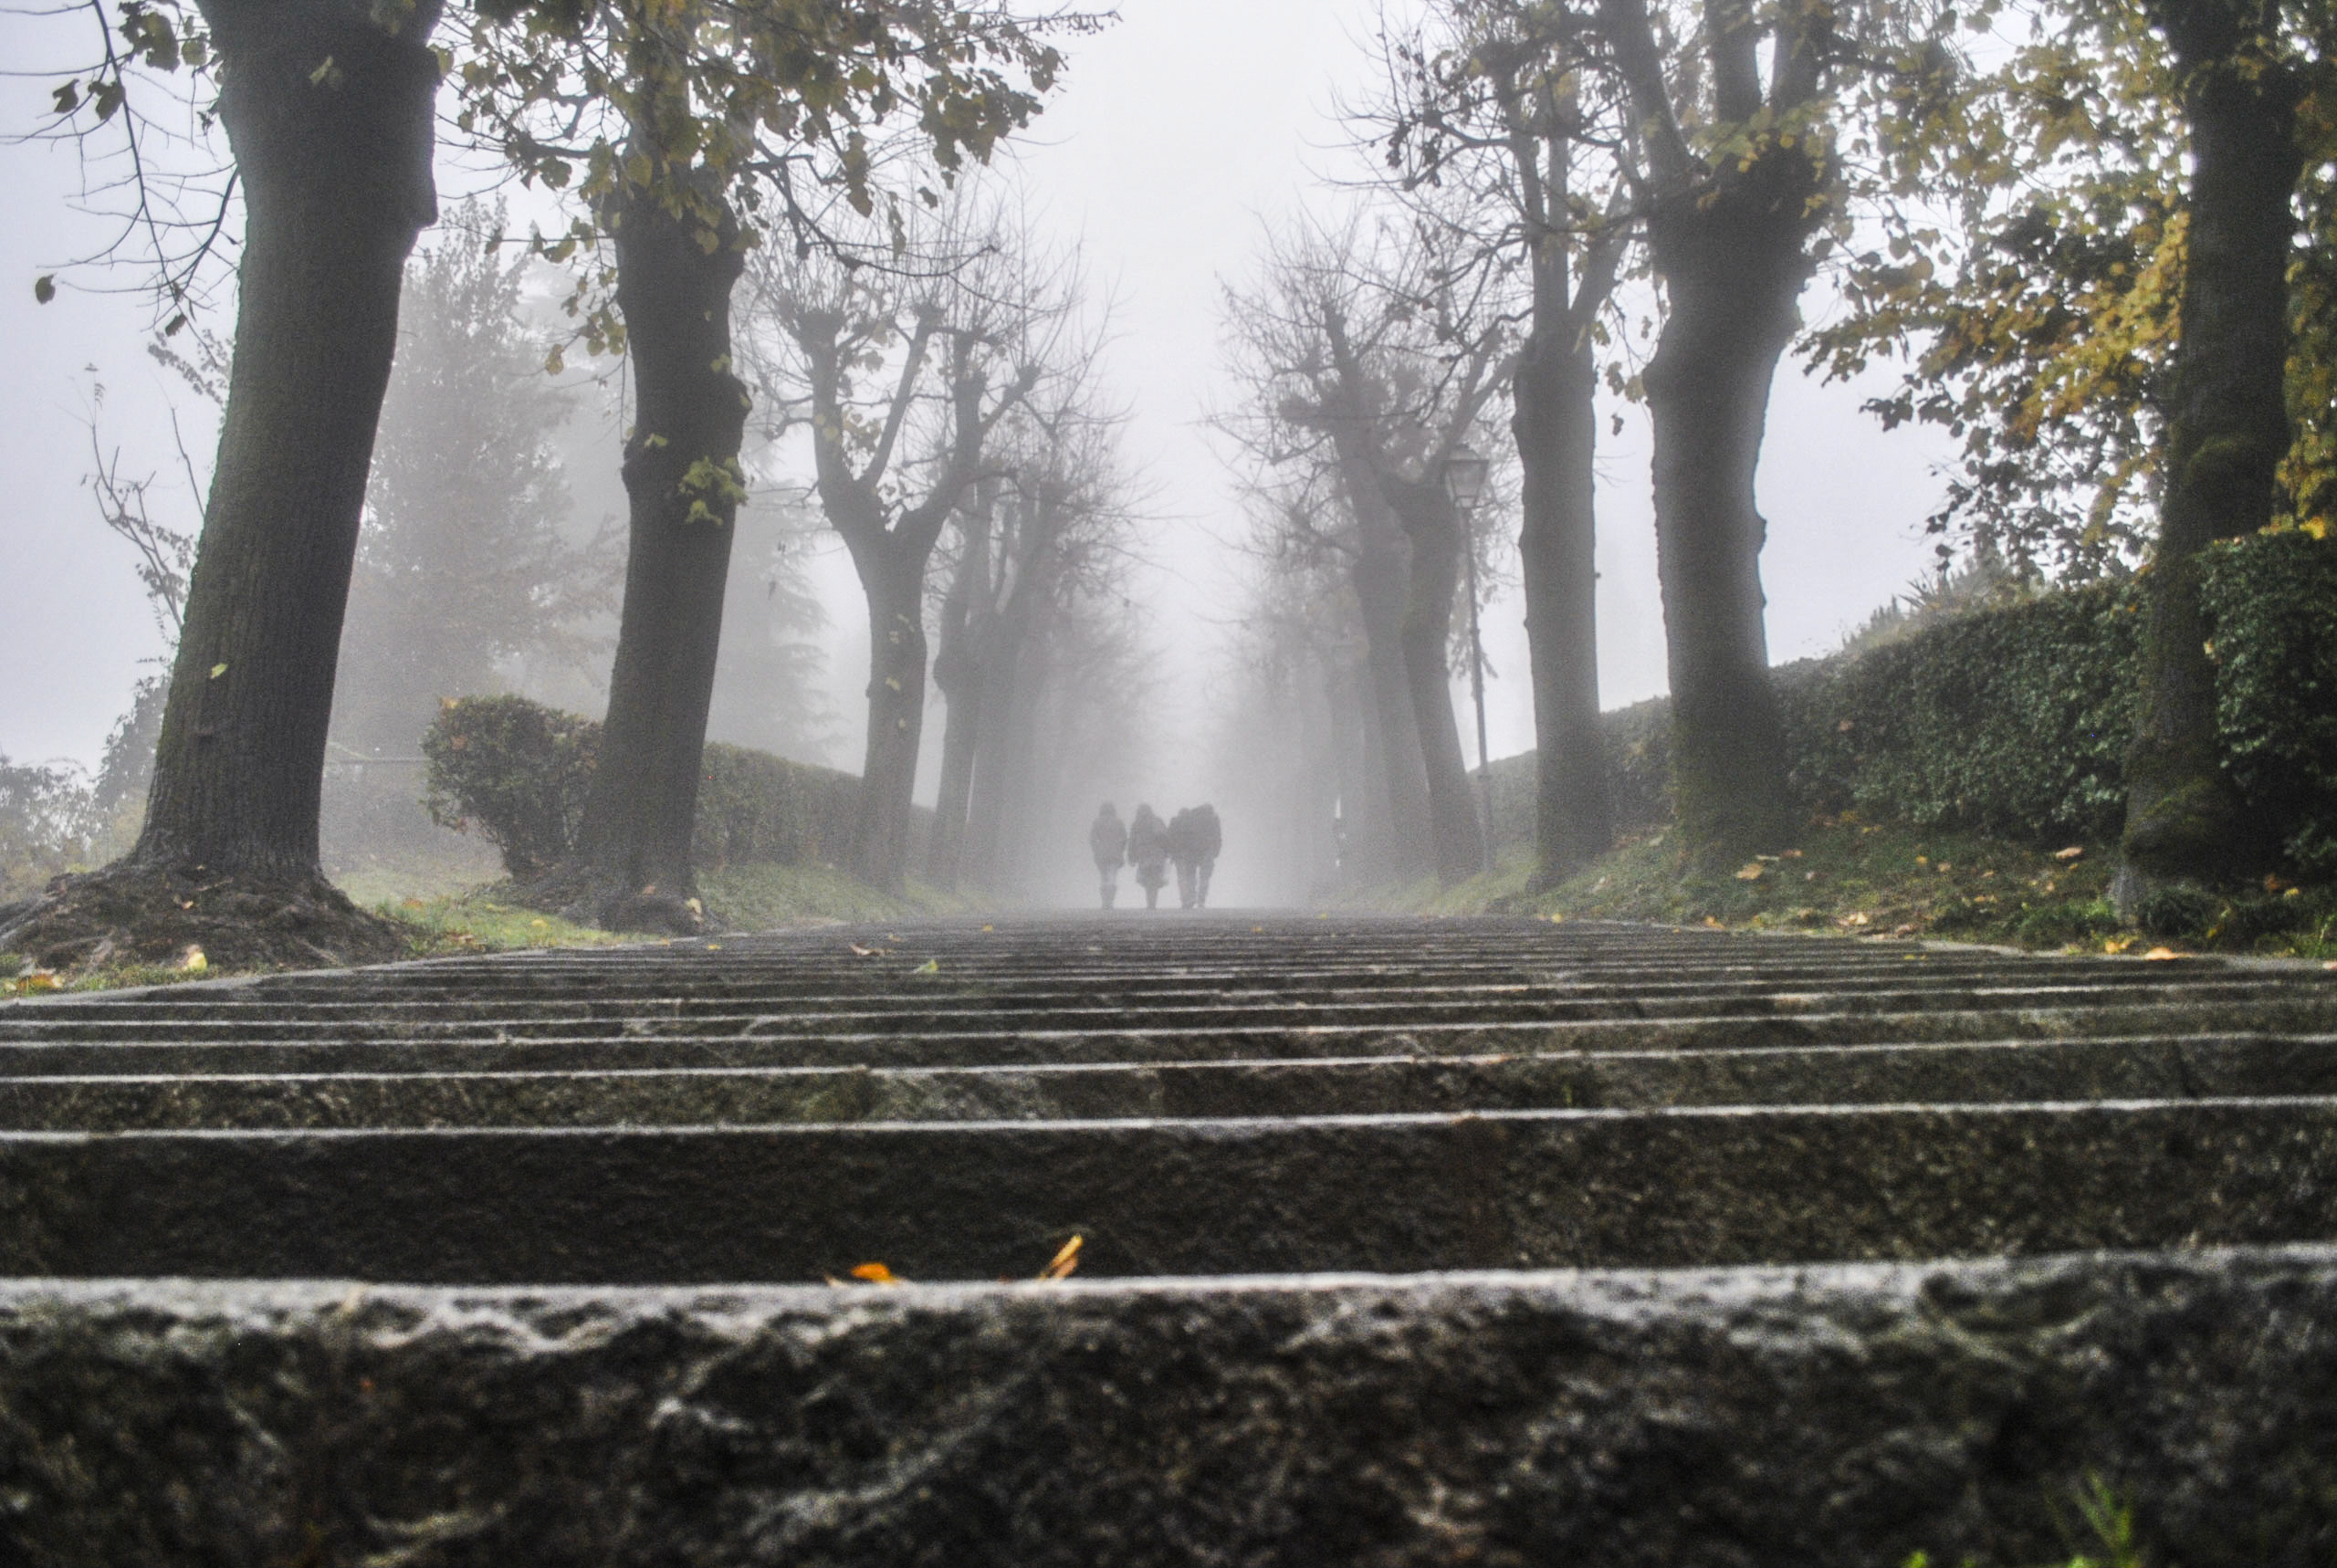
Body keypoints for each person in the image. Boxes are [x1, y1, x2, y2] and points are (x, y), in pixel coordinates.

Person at [1127, 803, 1170, 910]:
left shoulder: (1137, 824)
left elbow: (1132, 841)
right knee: (1155, 877)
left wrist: (1131, 856)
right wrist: (1167, 852)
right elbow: (1165, 837)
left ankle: (1150, 902)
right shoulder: (1157, 821)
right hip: (1157, 853)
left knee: (1147, 878)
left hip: (1143, 853)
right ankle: (1153, 902)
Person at [1088, 801, 1127, 909]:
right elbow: (1124, 838)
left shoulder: (1097, 822)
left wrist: (1096, 850)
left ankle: (1104, 901)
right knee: (1112, 876)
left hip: (1101, 854)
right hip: (1115, 853)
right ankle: (1110, 901)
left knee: (1103, 877)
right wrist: (1121, 849)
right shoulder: (1119, 822)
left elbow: (1092, 839)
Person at [1167, 807, 1200, 909]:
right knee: (1191, 876)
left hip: (1178, 853)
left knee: (1181, 877)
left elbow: (1169, 837)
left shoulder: (1175, 822)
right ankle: (1192, 896)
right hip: (1191, 854)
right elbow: (1198, 839)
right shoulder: (1194, 822)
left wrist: (1170, 852)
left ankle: (1184, 898)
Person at [1190, 802, 1222, 907]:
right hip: (1209, 850)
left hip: (1194, 849)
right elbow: (1218, 836)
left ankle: (1191, 897)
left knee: (1192, 875)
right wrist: (1216, 850)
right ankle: (1201, 900)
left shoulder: (1193, 818)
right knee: (1204, 877)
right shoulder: (1213, 819)